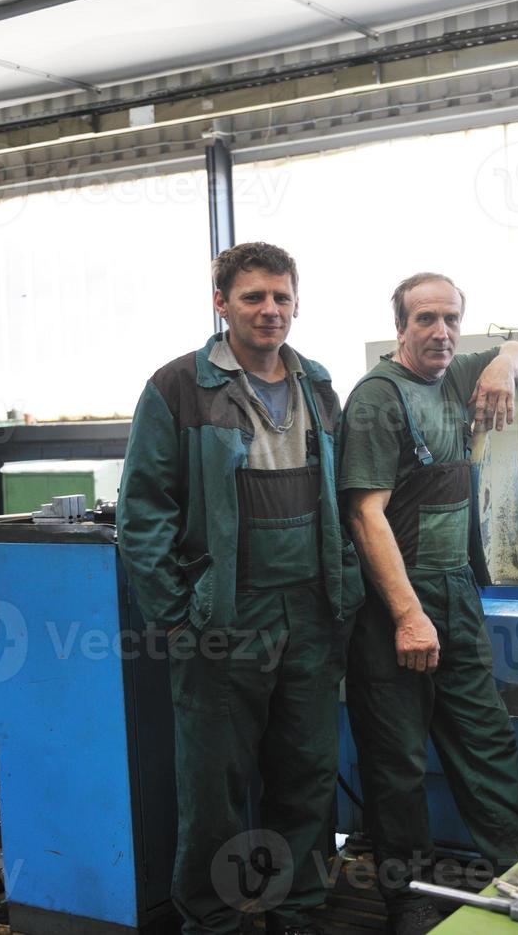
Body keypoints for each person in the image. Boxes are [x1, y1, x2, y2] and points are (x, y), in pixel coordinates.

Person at [117, 242, 365, 935]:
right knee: (215, 787)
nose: (270, 310)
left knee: (308, 774)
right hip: (223, 615)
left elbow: (339, 500)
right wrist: (175, 614)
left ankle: (297, 909)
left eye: (282, 297)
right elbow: (144, 513)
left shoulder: (317, 384)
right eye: (254, 297)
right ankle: (217, 919)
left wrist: (343, 590)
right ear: (220, 303)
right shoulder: (178, 388)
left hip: (311, 613)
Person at [341, 272, 518, 935]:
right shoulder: (378, 399)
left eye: (451, 318)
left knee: (484, 740)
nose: (440, 331)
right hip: (395, 598)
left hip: (456, 589)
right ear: (400, 326)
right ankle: (407, 898)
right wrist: (407, 614)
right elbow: (365, 514)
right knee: (397, 761)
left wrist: (507, 363)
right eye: (425, 319)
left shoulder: (458, 376)